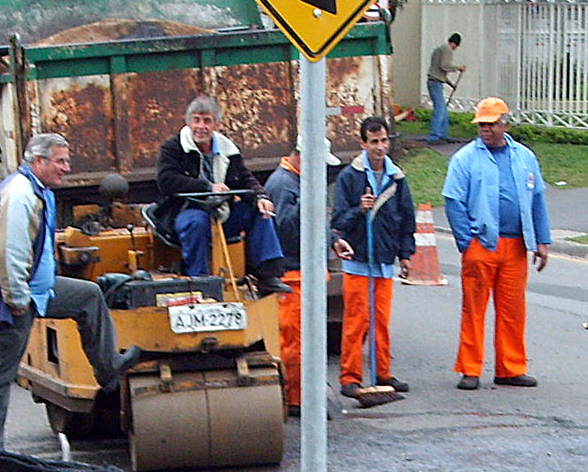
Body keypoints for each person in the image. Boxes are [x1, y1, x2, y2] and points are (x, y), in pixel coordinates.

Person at [0, 133, 142, 451]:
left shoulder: (40, 190)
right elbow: (8, 251)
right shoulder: (20, 194)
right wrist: (16, 298)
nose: (67, 167)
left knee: (88, 296)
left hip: (40, 290)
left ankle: (108, 369)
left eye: (67, 160)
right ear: (39, 161)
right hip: (15, 300)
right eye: (60, 161)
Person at [442, 97, 551, 391]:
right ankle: (470, 369)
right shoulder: (465, 159)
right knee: (474, 309)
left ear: (505, 124)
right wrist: (467, 242)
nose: (486, 130)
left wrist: (542, 240)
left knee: (513, 310)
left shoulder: (524, 157)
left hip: (516, 246)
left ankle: (510, 368)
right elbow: (453, 201)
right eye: (482, 125)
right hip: (481, 244)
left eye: (491, 124)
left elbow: (537, 199)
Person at [155, 96, 291, 296]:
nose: (201, 126)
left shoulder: (228, 150)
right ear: (188, 122)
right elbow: (166, 180)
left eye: (207, 121)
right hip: (184, 210)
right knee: (196, 222)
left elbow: (244, 178)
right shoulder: (173, 148)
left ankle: (268, 276)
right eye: (196, 120)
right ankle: (200, 281)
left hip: (221, 211)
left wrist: (261, 197)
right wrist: (208, 187)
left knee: (259, 212)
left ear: (216, 125)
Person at [330, 116, 415, 397]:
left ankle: (383, 373)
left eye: (384, 141)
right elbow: (338, 219)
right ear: (363, 143)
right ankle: (350, 377)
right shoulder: (350, 177)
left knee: (381, 321)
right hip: (358, 260)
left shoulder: (396, 177)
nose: (380, 147)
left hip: (384, 260)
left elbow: (406, 218)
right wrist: (359, 209)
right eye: (374, 141)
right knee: (356, 321)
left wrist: (405, 254)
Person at [263, 149, 350, 418]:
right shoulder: (283, 185)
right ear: (303, 156)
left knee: (304, 341)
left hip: (303, 273)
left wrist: (332, 241)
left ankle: (302, 395)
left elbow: (313, 223)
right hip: (292, 274)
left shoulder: (298, 182)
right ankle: (294, 398)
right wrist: (308, 198)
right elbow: (287, 230)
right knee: (294, 341)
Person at [426, 34, 465, 143]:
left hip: (434, 81)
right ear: (456, 44)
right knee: (440, 110)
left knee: (443, 111)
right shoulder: (447, 49)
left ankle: (443, 134)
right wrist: (458, 68)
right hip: (435, 83)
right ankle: (434, 136)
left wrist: (450, 84)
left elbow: (439, 72)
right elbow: (444, 65)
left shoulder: (439, 49)